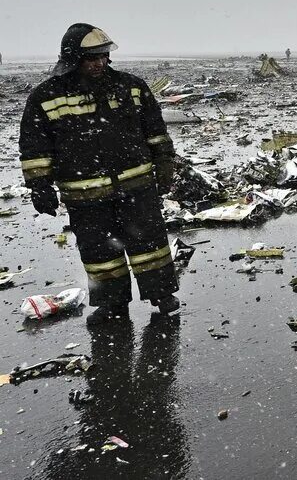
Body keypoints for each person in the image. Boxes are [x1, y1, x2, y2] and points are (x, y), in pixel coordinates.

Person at [19, 24, 180, 325]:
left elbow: (156, 132)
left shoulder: (131, 87)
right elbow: (35, 146)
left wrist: (165, 164)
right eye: (90, 58)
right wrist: (39, 186)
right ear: (72, 58)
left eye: (103, 56)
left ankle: (162, 296)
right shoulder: (47, 96)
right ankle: (112, 304)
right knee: (99, 254)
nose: (98, 63)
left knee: (151, 248)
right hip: (85, 194)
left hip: (137, 187)